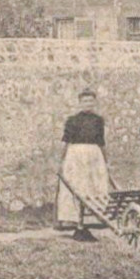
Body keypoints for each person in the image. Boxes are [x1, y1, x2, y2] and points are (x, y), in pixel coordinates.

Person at [56, 88, 112, 241]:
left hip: (94, 157)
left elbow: (101, 142)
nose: (88, 103)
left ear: (94, 103)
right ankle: (77, 225)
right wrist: (61, 161)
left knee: (94, 186)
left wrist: (106, 162)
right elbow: (66, 142)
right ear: (80, 103)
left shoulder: (98, 120)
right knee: (77, 188)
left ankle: (90, 222)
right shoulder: (72, 120)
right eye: (85, 101)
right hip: (75, 156)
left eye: (91, 101)